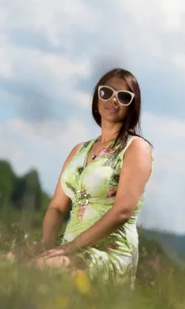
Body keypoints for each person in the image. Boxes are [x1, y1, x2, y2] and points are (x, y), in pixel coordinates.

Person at [22, 67, 153, 288]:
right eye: (106, 92)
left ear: (133, 107)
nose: (113, 100)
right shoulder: (79, 150)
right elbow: (57, 207)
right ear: (96, 98)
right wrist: (47, 244)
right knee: (1, 265)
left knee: (32, 272)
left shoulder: (136, 148)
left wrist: (68, 249)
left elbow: (122, 211)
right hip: (67, 246)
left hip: (108, 253)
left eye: (123, 96)